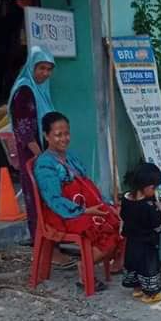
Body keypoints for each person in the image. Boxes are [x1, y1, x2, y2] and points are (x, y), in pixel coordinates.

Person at [34, 112, 123, 292]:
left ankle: (102, 263)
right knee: (101, 227)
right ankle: (85, 267)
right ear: (46, 136)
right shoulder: (45, 164)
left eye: (66, 133)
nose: (64, 138)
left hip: (84, 206)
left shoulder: (71, 157)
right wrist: (85, 211)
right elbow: (54, 200)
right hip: (63, 213)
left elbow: (89, 186)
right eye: (58, 135)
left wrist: (105, 204)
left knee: (119, 218)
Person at [8, 46, 70, 266]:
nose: (45, 73)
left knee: (51, 200)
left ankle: (54, 246)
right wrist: (44, 159)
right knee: (39, 203)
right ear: (31, 67)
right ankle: (46, 250)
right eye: (41, 68)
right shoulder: (25, 91)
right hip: (34, 159)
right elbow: (24, 131)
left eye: (49, 69)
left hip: (45, 157)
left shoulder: (40, 91)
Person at [120, 162, 161, 304]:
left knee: (133, 263)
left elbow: (123, 215)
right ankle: (152, 293)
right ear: (146, 187)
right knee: (148, 266)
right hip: (147, 243)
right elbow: (156, 222)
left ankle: (136, 288)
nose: (155, 191)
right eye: (154, 188)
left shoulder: (126, 199)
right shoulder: (148, 207)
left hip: (132, 241)